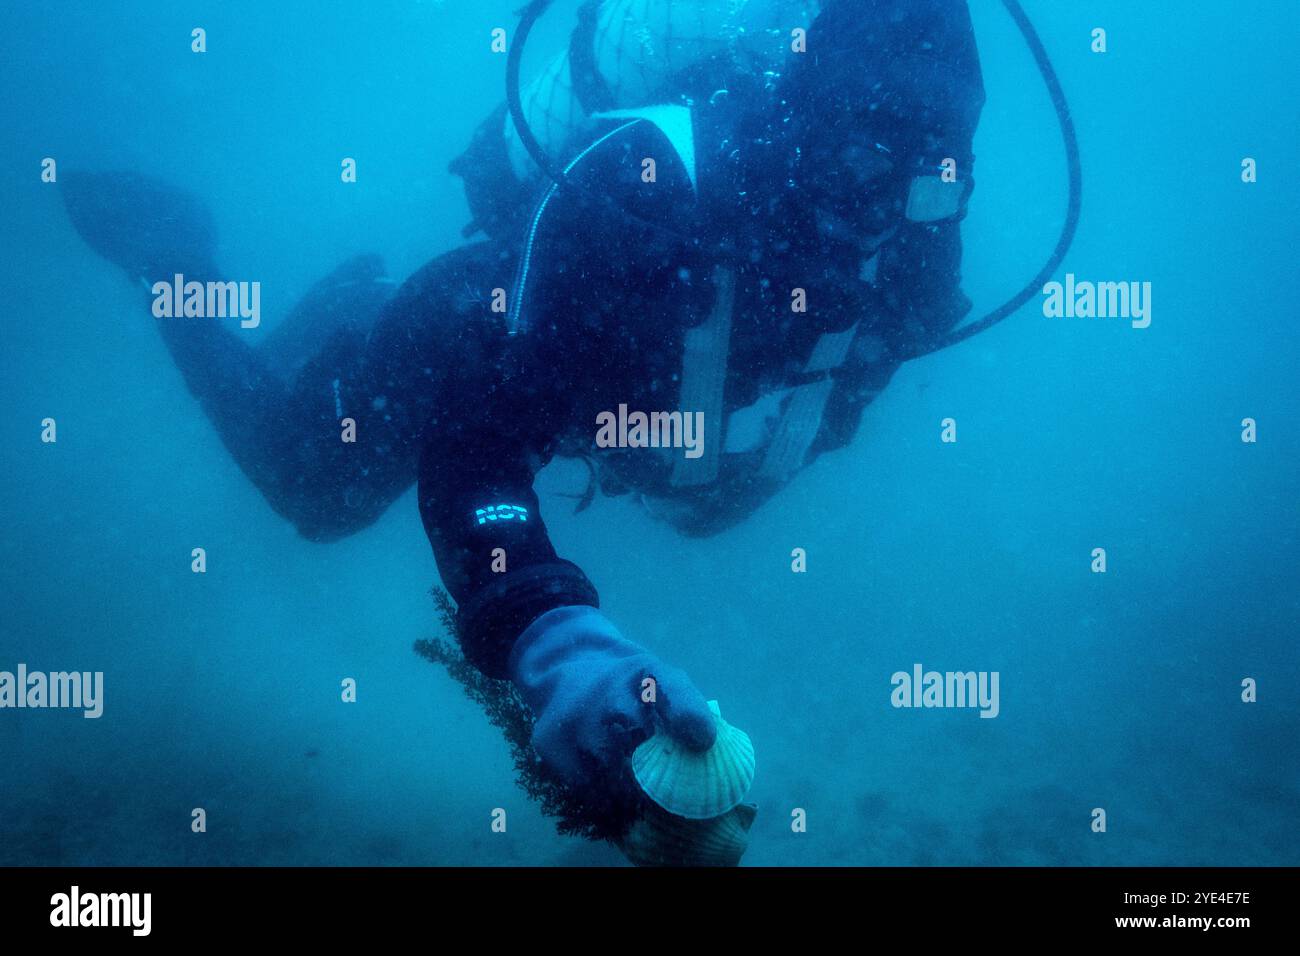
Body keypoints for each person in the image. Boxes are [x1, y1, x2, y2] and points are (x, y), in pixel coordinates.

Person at [62, 0, 985, 844]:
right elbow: (480, 448)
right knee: (319, 492)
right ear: (805, 121)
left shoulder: (915, 246)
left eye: (940, 158)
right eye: (875, 149)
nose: (903, 196)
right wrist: (562, 648)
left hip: (592, 383)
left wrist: (729, 471)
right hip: (464, 336)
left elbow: (839, 390)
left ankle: (345, 317)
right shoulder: (643, 194)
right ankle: (173, 255)